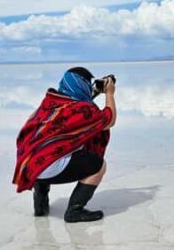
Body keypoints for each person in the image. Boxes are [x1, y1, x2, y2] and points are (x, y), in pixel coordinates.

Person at [12, 67, 116, 222]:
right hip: (50, 168)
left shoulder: (50, 102)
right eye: (88, 84)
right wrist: (109, 94)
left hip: (30, 166)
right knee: (99, 165)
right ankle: (75, 210)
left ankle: (41, 204)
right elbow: (109, 119)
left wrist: (94, 92)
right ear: (82, 86)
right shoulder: (82, 110)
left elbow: (75, 104)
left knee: (45, 154)